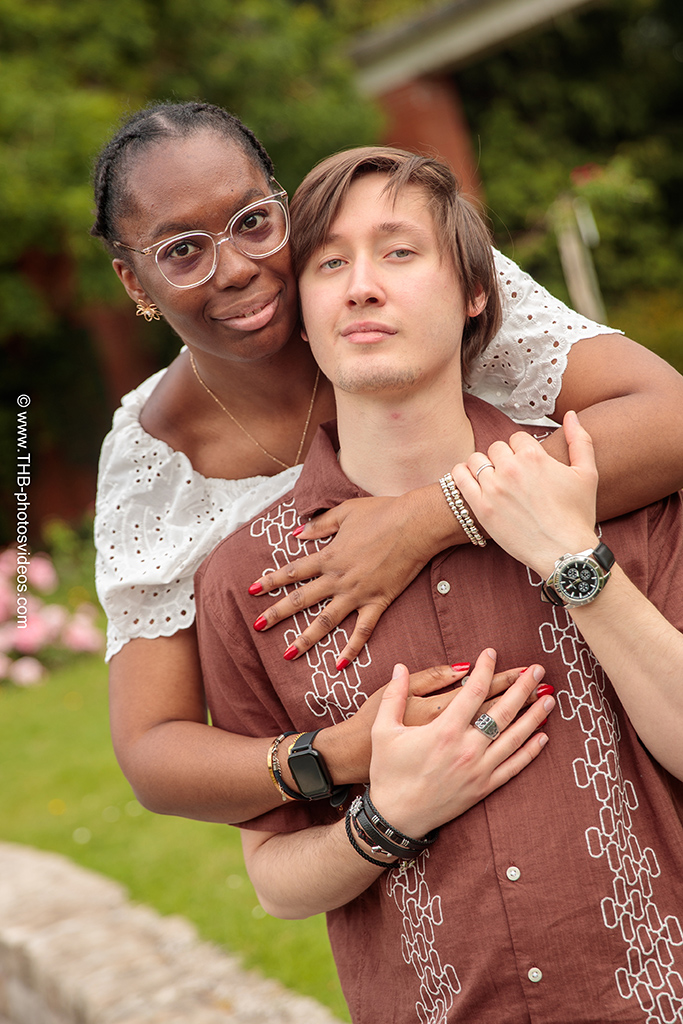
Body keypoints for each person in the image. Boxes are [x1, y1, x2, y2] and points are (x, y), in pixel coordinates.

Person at [92, 101, 683, 827]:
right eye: (183, 250)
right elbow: (152, 750)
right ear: (131, 282)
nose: (238, 268)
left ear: (283, 205)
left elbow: (669, 419)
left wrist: (425, 518)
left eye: (253, 222)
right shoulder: (151, 460)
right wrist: (336, 754)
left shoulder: (408, 288)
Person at [194, 147, 683, 1023]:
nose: (361, 286)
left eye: (399, 251)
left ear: (473, 295)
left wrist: (575, 560)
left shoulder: (606, 486)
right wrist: (386, 818)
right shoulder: (246, 582)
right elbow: (276, 880)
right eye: (328, 264)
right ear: (301, 315)